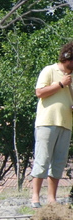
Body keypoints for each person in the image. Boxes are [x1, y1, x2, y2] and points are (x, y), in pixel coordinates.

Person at [30, 42, 73, 207]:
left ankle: (51, 199)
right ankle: (35, 197)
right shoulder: (49, 70)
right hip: (47, 122)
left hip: (66, 124)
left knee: (59, 162)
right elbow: (39, 92)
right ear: (67, 58)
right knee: (42, 159)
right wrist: (60, 84)